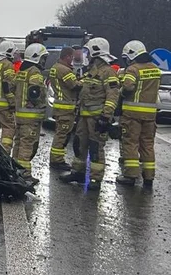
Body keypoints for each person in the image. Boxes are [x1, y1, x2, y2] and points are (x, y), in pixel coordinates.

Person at [60, 37, 120, 189]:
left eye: (89, 51)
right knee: (79, 145)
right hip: (84, 117)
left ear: (96, 51)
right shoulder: (92, 71)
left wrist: (106, 117)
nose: (87, 55)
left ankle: (95, 179)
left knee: (95, 148)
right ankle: (78, 173)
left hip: (97, 118)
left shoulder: (108, 72)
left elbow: (112, 96)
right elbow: (81, 87)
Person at [116, 40, 160, 187]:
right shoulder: (155, 69)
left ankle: (130, 176)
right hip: (150, 115)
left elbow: (128, 87)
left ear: (131, 54)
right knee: (147, 145)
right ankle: (149, 178)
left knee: (131, 143)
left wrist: (120, 93)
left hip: (132, 114)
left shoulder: (133, 69)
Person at [12, 43, 49, 183]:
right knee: (27, 145)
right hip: (31, 116)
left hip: (20, 115)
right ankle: (25, 174)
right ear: (37, 57)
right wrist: (35, 102)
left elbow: (12, 87)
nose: (43, 61)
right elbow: (35, 90)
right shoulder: (34, 72)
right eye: (43, 58)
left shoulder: (22, 70)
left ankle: (15, 170)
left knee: (18, 143)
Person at [47, 46, 80, 170]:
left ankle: (57, 158)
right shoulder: (64, 70)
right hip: (66, 108)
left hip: (60, 107)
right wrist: (85, 81)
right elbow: (74, 86)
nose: (72, 59)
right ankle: (57, 160)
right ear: (67, 56)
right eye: (71, 56)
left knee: (60, 133)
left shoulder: (55, 68)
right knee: (62, 135)